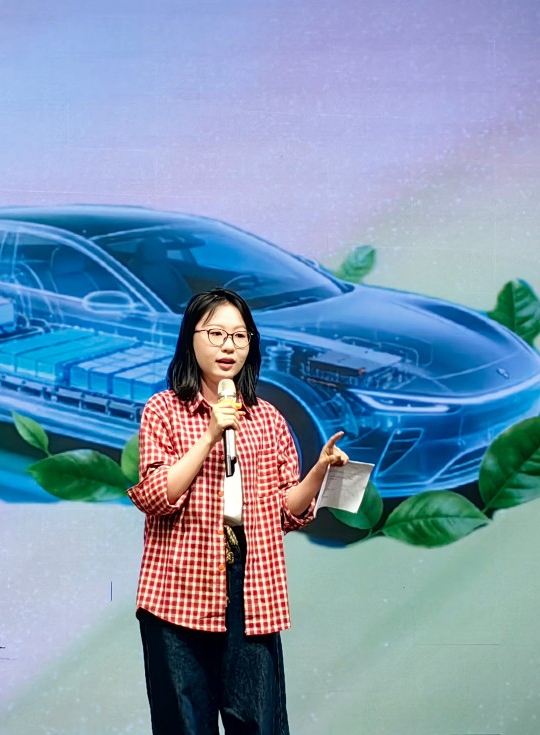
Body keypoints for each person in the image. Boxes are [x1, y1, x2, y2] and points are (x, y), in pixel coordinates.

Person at [127, 288, 348, 735]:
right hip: (178, 590)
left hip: (251, 585)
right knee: (184, 723)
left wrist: (320, 471)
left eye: (239, 336)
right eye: (216, 334)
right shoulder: (163, 410)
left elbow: (285, 511)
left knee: (258, 723)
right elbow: (155, 496)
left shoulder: (268, 418)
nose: (228, 346)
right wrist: (210, 435)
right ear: (190, 339)